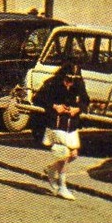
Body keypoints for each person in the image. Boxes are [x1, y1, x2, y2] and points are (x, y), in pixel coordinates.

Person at [32, 59, 89, 200]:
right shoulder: (52, 83)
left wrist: (78, 108)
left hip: (71, 125)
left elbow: (86, 101)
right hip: (56, 124)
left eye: (72, 80)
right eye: (67, 79)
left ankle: (51, 170)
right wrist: (54, 106)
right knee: (63, 155)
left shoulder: (79, 85)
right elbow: (38, 98)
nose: (69, 83)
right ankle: (62, 186)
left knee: (73, 155)